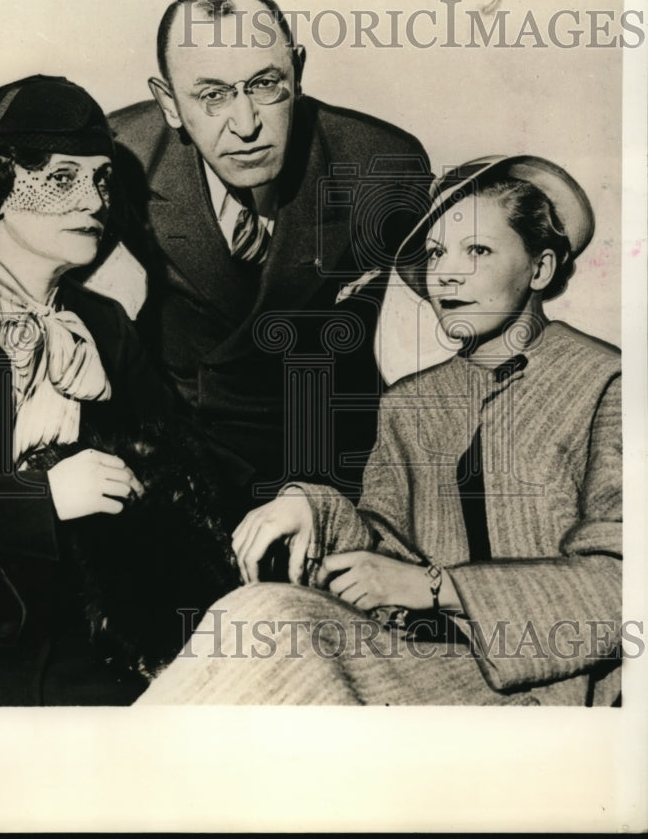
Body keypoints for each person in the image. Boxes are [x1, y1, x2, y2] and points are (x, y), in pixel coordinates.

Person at [138, 155, 622, 706]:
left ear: (539, 270)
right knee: (258, 616)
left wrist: (435, 588)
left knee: (269, 621)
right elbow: (381, 548)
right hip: (424, 668)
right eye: (436, 253)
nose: (446, 273)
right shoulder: (410, 403)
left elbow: (627, 587)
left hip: (557, 691)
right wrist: (312, 508)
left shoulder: (607, 382)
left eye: (478, 251)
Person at [0, 75, 238, 706]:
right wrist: (36, 499)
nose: (94, 201)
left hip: (96, 633)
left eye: (100, 179)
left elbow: (187, 453)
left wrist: (298, 496)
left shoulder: (104, 323)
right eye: (63, 178)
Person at [104, 0, 432, 523]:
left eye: (265, 84)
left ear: (297, 73)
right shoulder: (122, 158)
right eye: (211, 95)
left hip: (331, 463)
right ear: (168, 103)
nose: (247, 123)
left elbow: (449, 308)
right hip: (183, 460)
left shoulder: (381, 164)